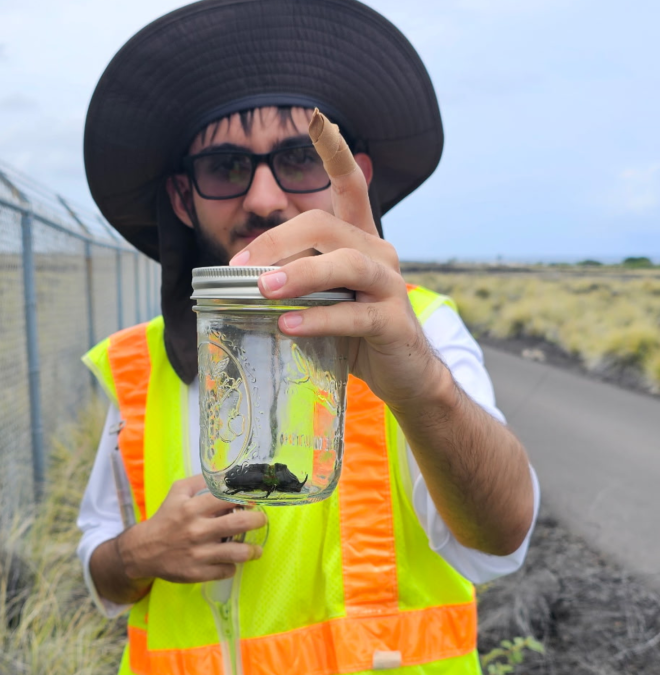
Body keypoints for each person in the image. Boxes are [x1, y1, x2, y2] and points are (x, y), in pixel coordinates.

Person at [77, 1, 539, 673]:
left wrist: (421, 382)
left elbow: (501, 541)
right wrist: (135, 554)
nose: (265, 199)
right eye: (226, 166)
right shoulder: (138, 362)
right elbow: (100, 561)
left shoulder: (422, 330)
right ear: (183, 197)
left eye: (299, 158)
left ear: (355, 175)